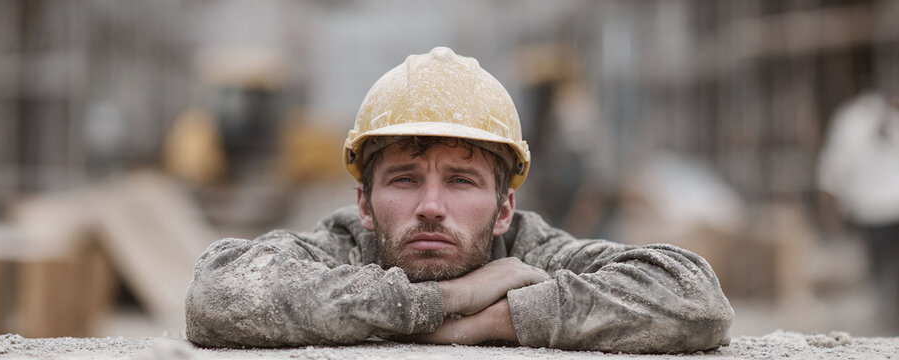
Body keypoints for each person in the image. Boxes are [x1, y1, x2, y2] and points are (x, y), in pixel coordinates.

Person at [185, 47, 733, 353]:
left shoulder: (529, 253)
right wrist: (444, 301)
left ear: (504, 211)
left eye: (462, 181)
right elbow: (215, 292)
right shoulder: (344, 245)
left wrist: (494, 321)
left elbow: (695, 297)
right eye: (403, 179)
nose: (431, 205)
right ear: (364, 205)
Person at [817, 92, 899, 333]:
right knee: (882, 272)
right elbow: (835, 169)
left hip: (873, 211)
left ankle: (886, 323)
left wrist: (832, 206)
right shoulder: (855, 121)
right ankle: (888, 323)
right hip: (876, 210)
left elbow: (833, 170)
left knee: (880, 273)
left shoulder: (851, 120)